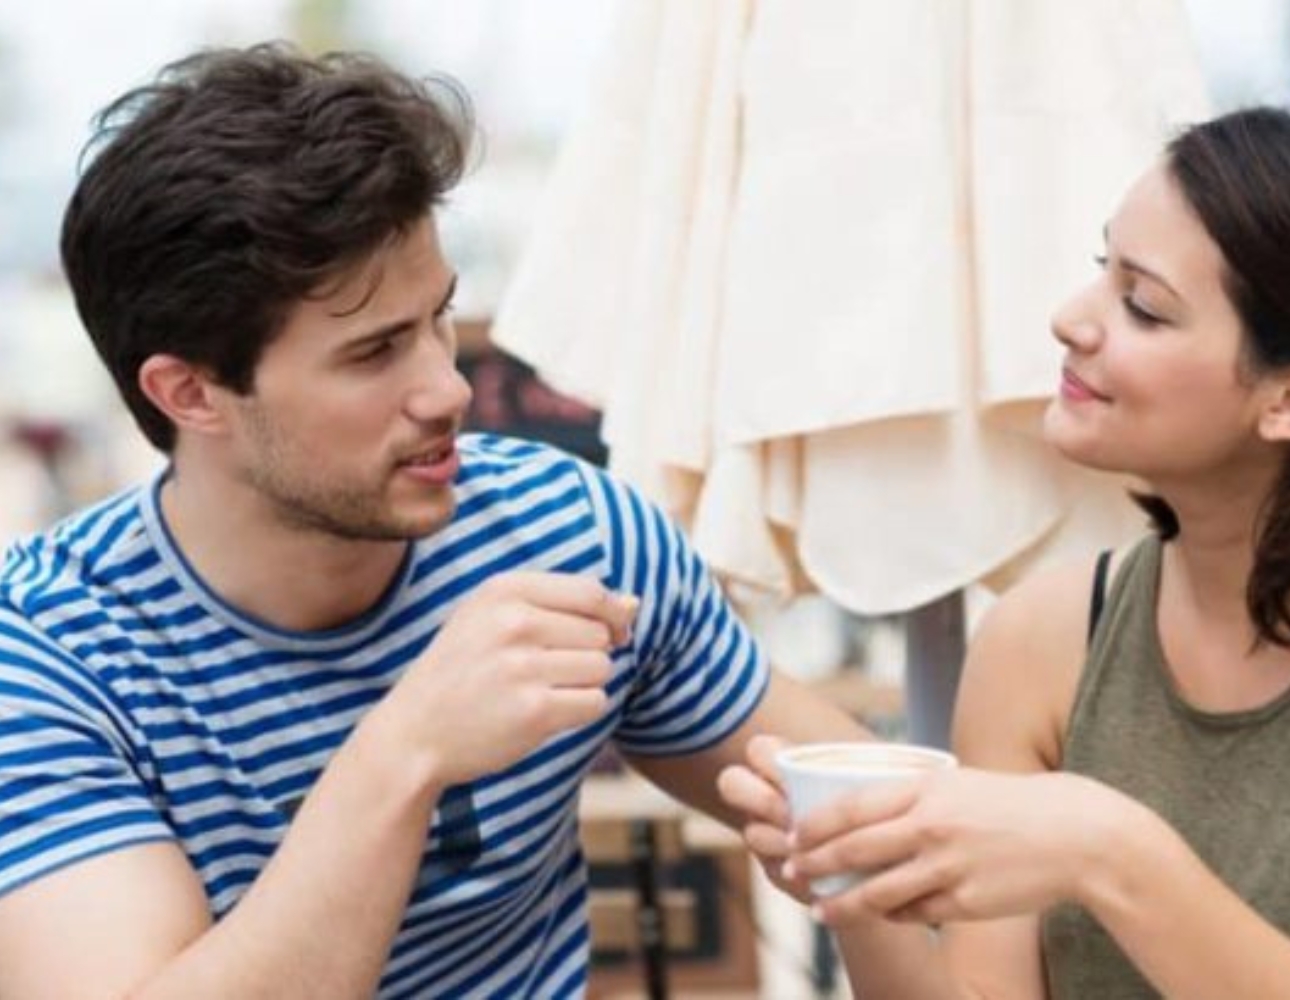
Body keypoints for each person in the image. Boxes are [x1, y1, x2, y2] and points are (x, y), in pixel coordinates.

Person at [0, 42, 869, 998]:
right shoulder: (46, 657)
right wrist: (405, 751)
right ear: (190, 393)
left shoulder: (569, 534)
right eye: (374, 353)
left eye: (438, 318)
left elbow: (868, 808)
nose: (447, 389)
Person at [721, 106, 1290, 998]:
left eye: (1144, 307)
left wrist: (1109, 853)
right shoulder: (1040, 641)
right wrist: (860, 880)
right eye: (1100, 269)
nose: (1072, 321)